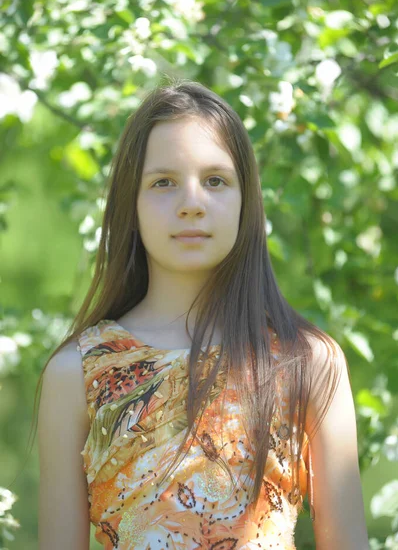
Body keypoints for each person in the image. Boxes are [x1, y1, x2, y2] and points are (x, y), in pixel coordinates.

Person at [36, 79, 369, 549]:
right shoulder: (78, 373)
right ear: (131, 202)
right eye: (163, 183)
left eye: (215, 180)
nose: (191, 204)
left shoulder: (306, 362)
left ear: (245, 201)